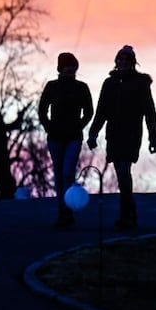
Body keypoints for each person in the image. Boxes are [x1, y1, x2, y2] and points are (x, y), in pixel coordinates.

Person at [87, 44, 156, 229]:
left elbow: (150, 112)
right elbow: (101, 111)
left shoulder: (140, 83)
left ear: (133, 63)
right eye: (121, 59)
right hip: (114, 134)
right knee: (121, 174)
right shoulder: (109, 83)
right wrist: (93, 133)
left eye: (127, 60)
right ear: (116, 61)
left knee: (124, 172)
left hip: (131, 134)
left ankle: (128, 213)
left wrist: (153, 138)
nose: (123, 62)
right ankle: (128, 213)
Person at [38, 52, 93, 228]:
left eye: (72, 66)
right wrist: (49, 127)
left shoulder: (81, 88)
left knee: (68, 172)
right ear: (60, 68)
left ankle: (67, 210)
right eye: (66, 66)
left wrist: (79, 126)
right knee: (59, 174)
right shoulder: (52, 87)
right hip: (55, 138)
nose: (70, 69)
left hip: (73, 138)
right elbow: (42, 110)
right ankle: (62, 210)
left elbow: (89, 111)